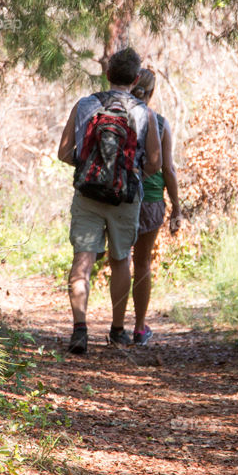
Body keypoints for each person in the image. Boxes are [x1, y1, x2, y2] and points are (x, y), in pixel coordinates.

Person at [58, 47, 161, 354]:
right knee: (121, 260)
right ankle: (117, 331)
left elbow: (63, 153)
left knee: (83, 260)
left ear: (107, 74)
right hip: (125, 198)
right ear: (135, 78)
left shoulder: (85, 104)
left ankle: (80, 329)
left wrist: (91, 168)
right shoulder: (145, 114)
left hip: (87, 195)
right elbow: (154, 164)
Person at [129, 68, 182, 345]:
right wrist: (177, 208)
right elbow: (168, 169)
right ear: (151, 92)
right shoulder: (160, 123)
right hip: (150, 200)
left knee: (119, 261)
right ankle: (139, 328)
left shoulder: (118, 118)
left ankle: (117, 327)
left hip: (119, 198)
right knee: (142, 263)